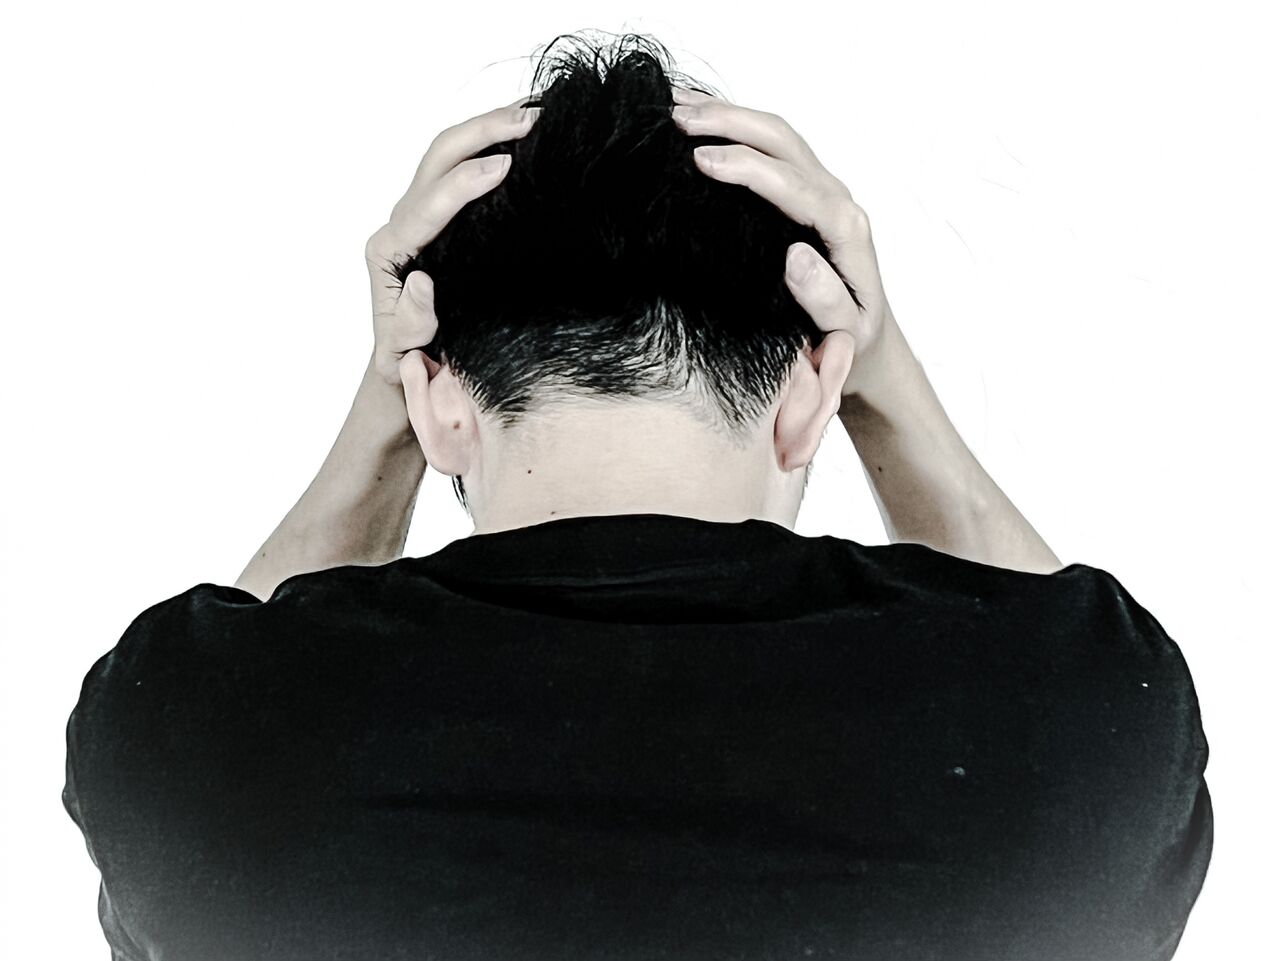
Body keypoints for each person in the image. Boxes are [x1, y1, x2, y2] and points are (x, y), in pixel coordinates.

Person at [62, 32, 1212, 961]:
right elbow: (1061, 654)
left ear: (440, 399)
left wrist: (394, 395)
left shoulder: (190, 755)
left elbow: (244, 665)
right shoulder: (1079, 752)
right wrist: (876, 370)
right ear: (813, 385)